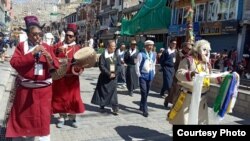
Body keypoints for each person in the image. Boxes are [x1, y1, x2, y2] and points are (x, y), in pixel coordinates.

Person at [6, 16, 59, 141]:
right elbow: (14, 63)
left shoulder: (46, 46)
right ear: (28, 34)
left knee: (43, 119)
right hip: (26, 90)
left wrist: (50, 58)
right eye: (34, 34)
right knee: (25, 118)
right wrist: (32, 54)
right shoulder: (21, 46)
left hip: (44, 91)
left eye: (39, 34)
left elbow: (56, 65)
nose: (38, 37)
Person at [167, 40, 224, 124]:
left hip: (202, 98)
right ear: (198, 49)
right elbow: (179, 74)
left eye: (208, 50)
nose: (207, 52)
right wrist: (191, 74)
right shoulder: (188, 60)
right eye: (204, 50)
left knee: (200, 120)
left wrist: (220, 79)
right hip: (188, 96)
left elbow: (208, 78)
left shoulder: (207, 63)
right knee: (184, 120)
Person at [52, 23, 85, 128]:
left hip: (73, 79)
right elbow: (50, 55)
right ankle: (61, 118)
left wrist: (79, 68)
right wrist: (57, 51)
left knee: (73, 99)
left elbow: (82, 62)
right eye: (67, 35)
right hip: (60, 78)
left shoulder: (78, 48)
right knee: (60, 98)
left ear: (74, 37)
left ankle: (73, 118)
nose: (68, 37)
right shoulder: (58, 45)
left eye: (71, 36)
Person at [91, 40, 121, 115]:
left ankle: (115, 107)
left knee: (114, 93)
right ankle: (102, 105)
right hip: (105, 77)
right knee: (103, 93)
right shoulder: (103, 56)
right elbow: (101, 66)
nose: (114, 48)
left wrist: (115, 73)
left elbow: (119, 66)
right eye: (112, 47)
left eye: (115, 47)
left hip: (113, 78)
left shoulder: (116, 55)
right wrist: (109, 73)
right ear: (108, 47)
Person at [164, 42, 192, 107]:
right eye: (187, 48)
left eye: (190, 49)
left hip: (186, 75)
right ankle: (168, 100)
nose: (189, 50)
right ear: (184, 47)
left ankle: (177, 103)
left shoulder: (190, 55)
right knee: (174, 90)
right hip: (178, 74)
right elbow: (176, 64)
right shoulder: (179, 54)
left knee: (182, 90)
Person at [136, 40, 156, 117]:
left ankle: (141, 105)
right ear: (145, 46)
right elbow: (137, 65)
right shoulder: (141, 54)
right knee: (144, 92)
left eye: (151, 45)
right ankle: (145, 109)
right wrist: (139, 74)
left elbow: (154, 64)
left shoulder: (154, 54)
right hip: (143, 76)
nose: (150, 47)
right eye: (149, 45)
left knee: (146, 93)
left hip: (150, 75)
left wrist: (153, 73)